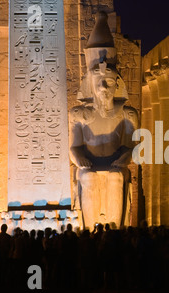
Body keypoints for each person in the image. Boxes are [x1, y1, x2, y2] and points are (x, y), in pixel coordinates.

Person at [69, 11, 138, 230]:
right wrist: (80, 159)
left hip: (115, 162)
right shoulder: (78, 114)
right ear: (90, 84)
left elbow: (131, 145)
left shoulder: (127, 114)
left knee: (116, 177)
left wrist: (124, 157)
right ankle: (90, 229)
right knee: (88, 177)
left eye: (108, 82)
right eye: (99, 82)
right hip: (89, 163)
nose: (104, 88)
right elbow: (74, 147)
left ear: (117, 83)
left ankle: (114, 229)